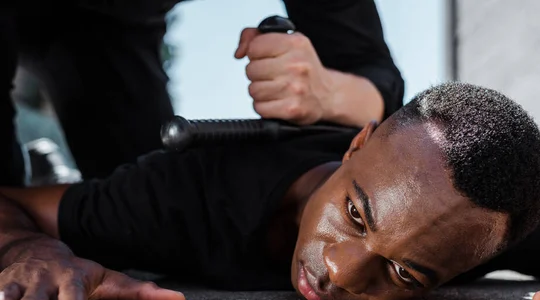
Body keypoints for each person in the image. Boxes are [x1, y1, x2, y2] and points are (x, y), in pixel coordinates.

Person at [0, 82, 540, 300]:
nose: (339, 271)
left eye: (406, 275)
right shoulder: (180, 194)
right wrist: (29, 249)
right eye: (357, 216)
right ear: (356, 145)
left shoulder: (479, 225)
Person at [1, 0, 403, 186]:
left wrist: (326, 92)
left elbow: (376, 78)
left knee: (144, 202)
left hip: (111, 27)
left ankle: (48, 185)